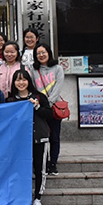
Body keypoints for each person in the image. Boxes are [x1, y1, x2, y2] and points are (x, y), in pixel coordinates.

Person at [6, 68, 53, 205]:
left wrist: (36, 107)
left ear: (29, 81)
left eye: (24, 79)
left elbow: (49, 114)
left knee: (40, 169)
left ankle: (37, 199)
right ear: (14, 83)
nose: (21, 83)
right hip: (19, 142)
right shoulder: (11, 100)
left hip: (39, 138)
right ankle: (21, 199)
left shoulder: (39, 97)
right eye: (18, 80)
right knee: (19, 170)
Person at [33, 43, 64, 176]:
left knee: (54, 137)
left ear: (49, 53)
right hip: (40, 109)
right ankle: (43, 163)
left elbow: (58, 87)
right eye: (38, 53)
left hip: (53, 107)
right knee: (42, 137)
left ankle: (53, 164)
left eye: (43, 52)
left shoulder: (58, 68)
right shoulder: (33, 70)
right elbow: (33, 88)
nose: (41, 55)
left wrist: (49, 103)